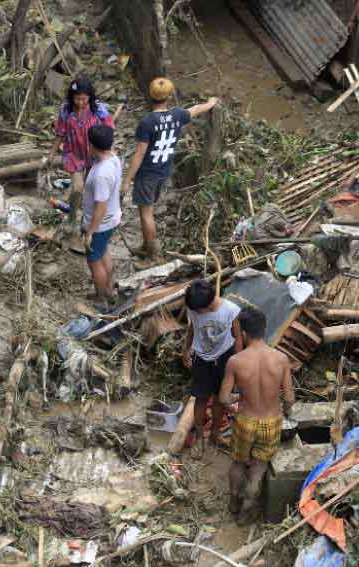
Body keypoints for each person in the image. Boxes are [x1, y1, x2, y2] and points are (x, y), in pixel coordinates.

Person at [122, 77, 218, 263]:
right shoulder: (177, 115)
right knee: (149, 209)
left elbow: (139, 154)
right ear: (168, 96)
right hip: (164, 171)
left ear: (151, 95)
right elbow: (196, 109)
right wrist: (210, 103)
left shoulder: (148, 122)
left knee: (146, 213)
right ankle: (146, 245)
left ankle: (153, 255)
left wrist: (126, 180)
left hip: (147, 173)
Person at [219, 307, 294, 519]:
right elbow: (289, 398)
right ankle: (246, 510)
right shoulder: (281, 359)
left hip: (245, 420)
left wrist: (238, 399)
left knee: (238, 463)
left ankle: (233, 502)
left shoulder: (236, 361)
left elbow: (223, 398)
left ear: (243, 333)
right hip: (271, 421)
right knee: (259, 468)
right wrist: (286, 412)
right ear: (265, 329)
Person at [50, 76, 115, 233]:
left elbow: (109, 130)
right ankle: (72, 218)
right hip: (74, 154)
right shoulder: (65, 110)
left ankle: (88, 221)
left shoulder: (98, 110)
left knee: (89, 189)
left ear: (90, 97)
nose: (80, 103)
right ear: (71, 97)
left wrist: (109, 151)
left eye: (84, 99)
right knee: (77, 189)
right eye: (77, 99)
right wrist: (52, 153)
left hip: (94, 154)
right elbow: (60, 133)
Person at [183, 279, 243, 448]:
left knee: (219, 398)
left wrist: (237, 363)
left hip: (225, 358)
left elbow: (237, 337)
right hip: (201, 359)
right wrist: (186, 349)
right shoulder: (195, 307)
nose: (196, 313)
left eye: (199, 311)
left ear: (208, 305)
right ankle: (200, 436)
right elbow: (192, 329)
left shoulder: (230, 310)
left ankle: (215, 434)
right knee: (200, 398)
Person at [82, 125, 123, 305]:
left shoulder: (101, 174)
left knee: (94, 261)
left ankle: (101, 299)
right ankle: (109, 289)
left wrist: (90, 232)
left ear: (91, 145)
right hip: (112, 219)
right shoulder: (113, 158)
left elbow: (101, 206)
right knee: (103, 251)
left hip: (101, 223)